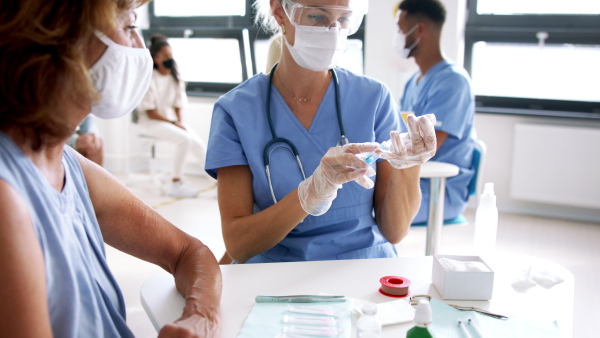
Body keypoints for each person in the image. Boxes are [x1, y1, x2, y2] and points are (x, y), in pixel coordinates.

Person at [0, 1, 221, 337]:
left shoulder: (70, 167)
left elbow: (190, 254)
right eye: (129, 24)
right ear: (62, 34)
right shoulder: (8, 196)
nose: (138, 47)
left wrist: (199, 317)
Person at [206, 0, 437, 264]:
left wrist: (409, 166)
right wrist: (309, 194)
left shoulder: (373, 98)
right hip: (277, 272)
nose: (334, 31)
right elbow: (239, 245)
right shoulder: (236, 110)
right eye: (317, 17)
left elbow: (395, 232)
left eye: (344, 19)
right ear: (280, 12)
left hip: (363, 266)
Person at [395, 0, 476, 224]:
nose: (398, 36)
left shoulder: (453, 82)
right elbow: (401, 134)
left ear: (419, 30)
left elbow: (424, 149)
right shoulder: (414, 81)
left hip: (439, 190)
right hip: (414, 179)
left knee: (368, 211)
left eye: (400, 29)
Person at [137, 34, 209, 198]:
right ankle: (175, 183)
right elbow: (150, 112)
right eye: (166, 56)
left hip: (171, 121)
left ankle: (218, 182)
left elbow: (178, 105)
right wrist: (173, 122)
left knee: (197, 143)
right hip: (151, 122)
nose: (170, 59)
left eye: (171, 55)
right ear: (156, 58)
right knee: (184, 139)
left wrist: (180, 122)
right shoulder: (149, 79)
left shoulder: (175, 78)